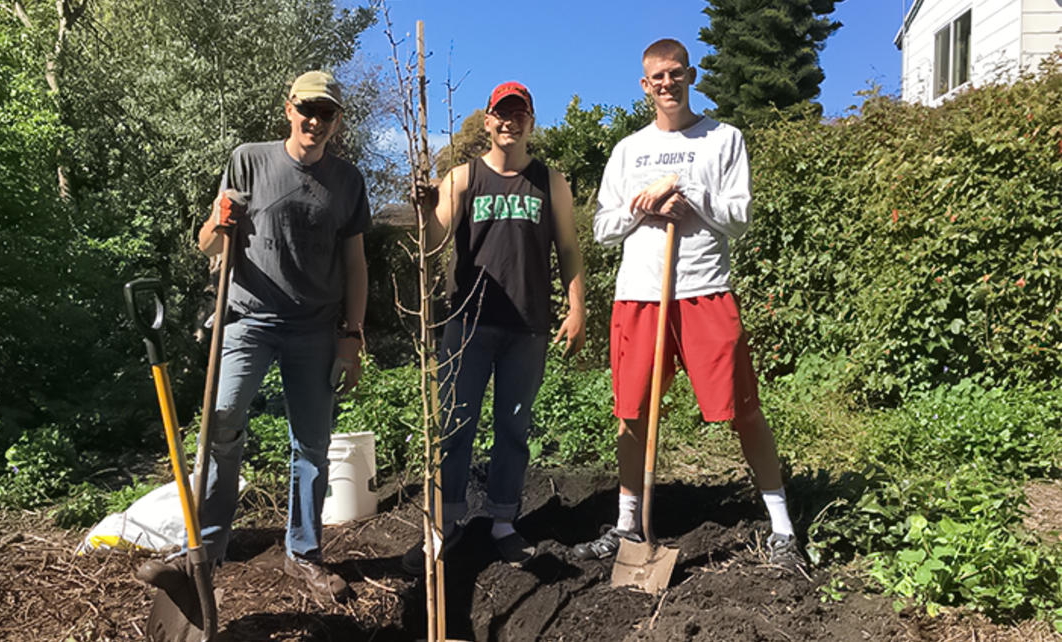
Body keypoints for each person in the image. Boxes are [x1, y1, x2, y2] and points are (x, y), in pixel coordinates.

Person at [577, 39, 807, 574]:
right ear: (644, 85)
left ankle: (781, 527)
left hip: (704, 289)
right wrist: (647, 207)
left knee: (743, 409)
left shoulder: (724, 139)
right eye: (657, 77)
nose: (667, 84)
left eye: (675, 74)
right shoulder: (628, 150)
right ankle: (628, 525)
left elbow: (740, 217)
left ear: (691, 75)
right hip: (640, 295)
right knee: (632, 414)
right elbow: (604, 229)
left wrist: (692, 198)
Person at [195, 70, 370, 601]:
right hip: (247, 319)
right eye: (306, 110)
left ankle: (304, 552)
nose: (315, 121)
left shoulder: (348, 181)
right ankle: (206, 547)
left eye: (326, 113)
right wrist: (217, 225)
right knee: (222, 423)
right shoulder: (248, 160)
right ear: (288, 108)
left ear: (337, 121)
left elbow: (356, 265)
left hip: (315, 328)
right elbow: (208, 246)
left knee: (312, 446)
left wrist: (352, 335)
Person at [401, 81, 586, 573]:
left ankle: (504, 521)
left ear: (530, 121)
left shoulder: (552, 182)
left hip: (528, 325)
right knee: (455, 427)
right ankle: (446, 523)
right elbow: (436, 240)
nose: (510, 122)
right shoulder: (462, 178)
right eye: (501, 114)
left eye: (519, 113)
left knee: (513, 427)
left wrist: (576, 308)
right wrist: (425, 206)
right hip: (467, 324)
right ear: (487, 121)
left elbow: (568, 250)